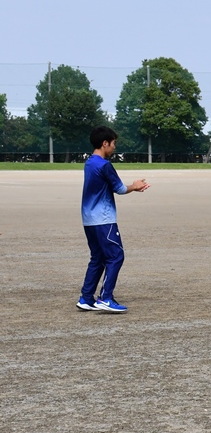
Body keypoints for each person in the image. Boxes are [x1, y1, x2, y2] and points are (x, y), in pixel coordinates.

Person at [76, 126, 150, 313]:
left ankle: (86, 298)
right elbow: (120, 189)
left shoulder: (89, 163)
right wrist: (135, 186)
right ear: (105, 143)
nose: (114, 147)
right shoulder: (104, 165)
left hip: (89, 219)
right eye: (113, 143)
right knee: (116, 255)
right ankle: (105, 298)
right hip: (104, 219)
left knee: (98, 258)